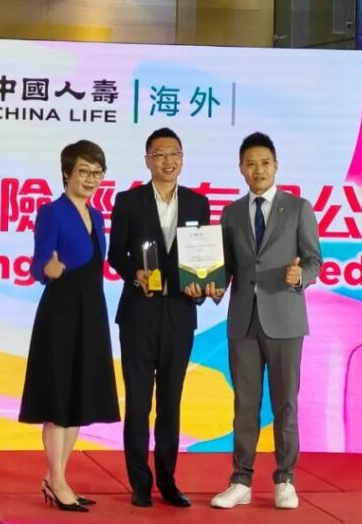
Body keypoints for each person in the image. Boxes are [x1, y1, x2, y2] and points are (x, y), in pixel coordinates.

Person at [209, 132, 322, 510]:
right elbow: (225, 266)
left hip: (285, 320)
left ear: (276, 166)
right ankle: (240, 480)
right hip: (243, 321)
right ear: (241, 168)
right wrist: (210, 285)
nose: (258, 170)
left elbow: (314, 259)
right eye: (250, 164)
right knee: (245, 404)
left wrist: (301, 276)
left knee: (285, 404)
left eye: (265, 163)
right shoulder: (231, 213)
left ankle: (285, 479)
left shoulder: (299, 208)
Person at [107, 127, 213, 508]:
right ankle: (140, 483)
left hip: (180, 315)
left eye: (174, 154)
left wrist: (205, 286)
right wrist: (133, 273)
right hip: (139, 313)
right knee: (138, 403)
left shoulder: (198, 204)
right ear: (147, 160)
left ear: (182, 159)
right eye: (159, 154)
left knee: (171, 402)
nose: (168, 161)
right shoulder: (128, 201)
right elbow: (115, 253)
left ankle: (168, 482)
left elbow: (203, 258)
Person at [18, 140, 121, 513]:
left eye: (97, 173)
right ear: (66, 173)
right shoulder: (51, 212)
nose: (91, 179)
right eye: (84, 172)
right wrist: (47, 269)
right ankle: (57, 480)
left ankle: (56, 478)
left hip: (91, 312)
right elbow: (38, 263)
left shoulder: (97, 215)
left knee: (79, 398)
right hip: (61, 313)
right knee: (58, 399)